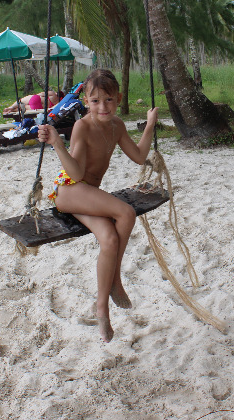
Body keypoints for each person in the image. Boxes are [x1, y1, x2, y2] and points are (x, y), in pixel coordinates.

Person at [37, 69, 158, 343]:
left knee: (110, 238)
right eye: (95, 101)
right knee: (126, 212)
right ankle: (115, 279)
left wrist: (150, 124)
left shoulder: (117, 126)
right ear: (86, 102)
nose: (102, 107)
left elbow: (139, 156)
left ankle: (101, 307)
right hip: (69, 191)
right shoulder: (83, 126)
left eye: (108, 100)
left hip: (87, 194)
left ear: (118, 99)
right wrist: (57, 143)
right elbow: (76, 174)